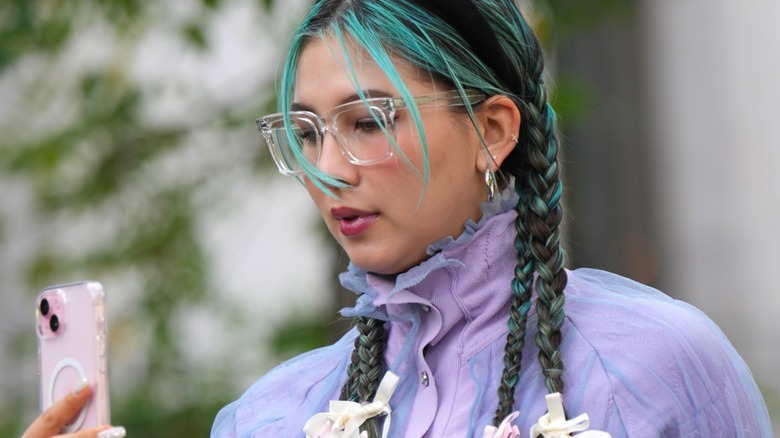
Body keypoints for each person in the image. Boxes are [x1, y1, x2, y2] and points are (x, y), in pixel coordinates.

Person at [26, 0, 772, 437]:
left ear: (494, 129)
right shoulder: (270, 419)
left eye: (368, 121)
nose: (330, 169)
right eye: (307, 132)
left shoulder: (651, 368)